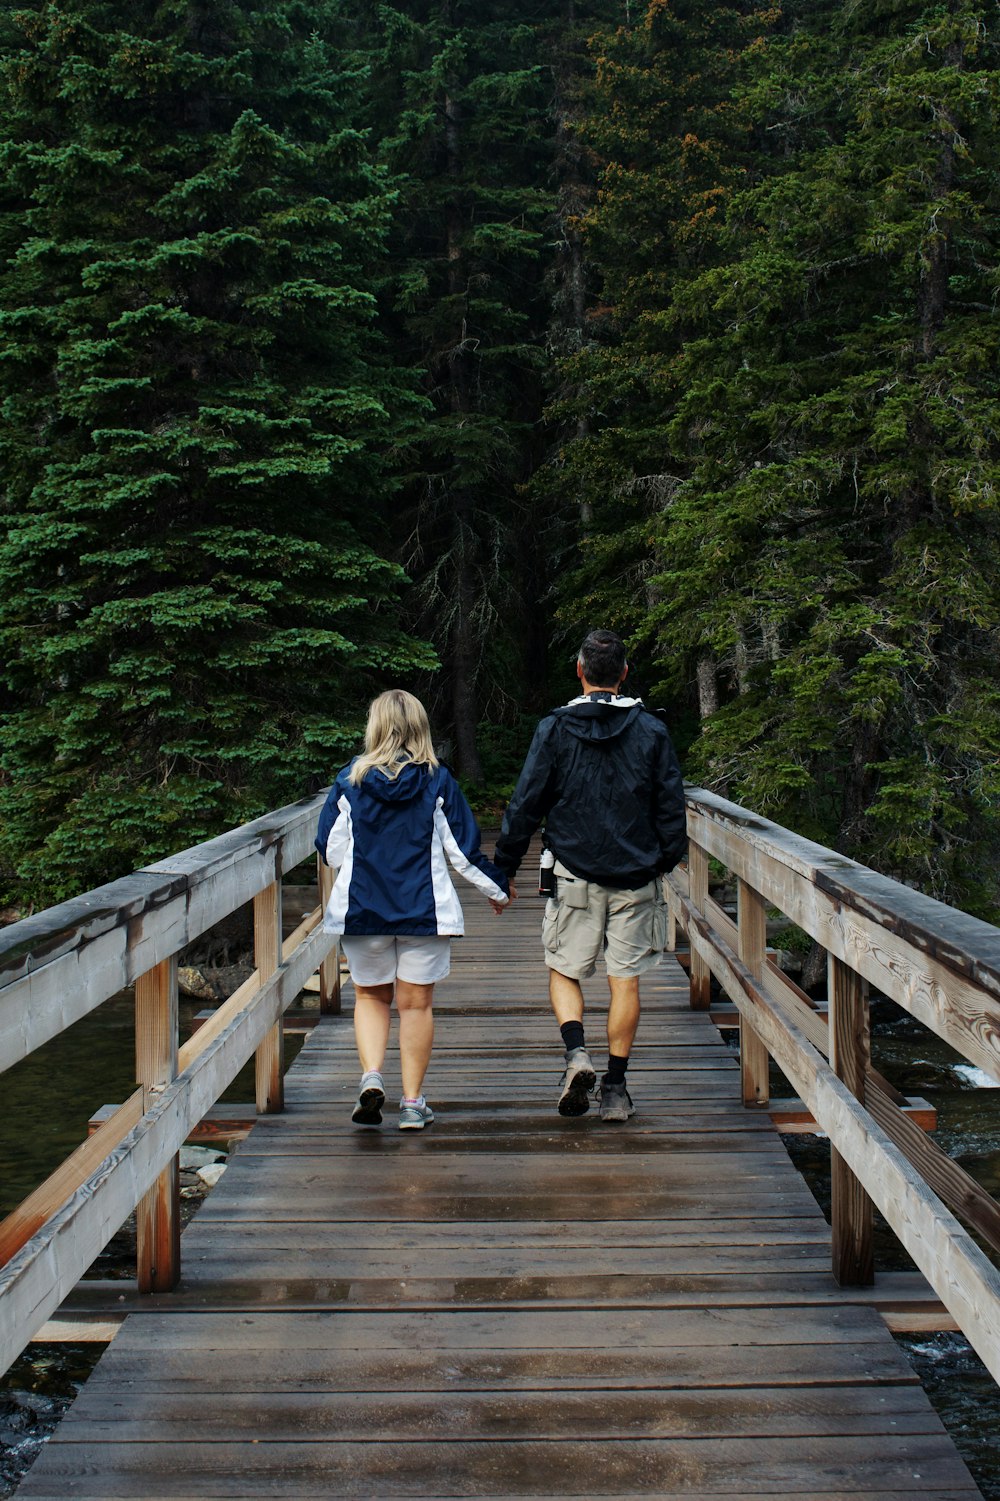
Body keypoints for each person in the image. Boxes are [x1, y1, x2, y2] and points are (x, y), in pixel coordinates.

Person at [494, 629, 687, 1121]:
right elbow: (669, 805)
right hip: (635, 876)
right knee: (625, 982)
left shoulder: (554, 729)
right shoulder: (651, 731)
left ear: (579, 672)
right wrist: (665, 859)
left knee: (563, 969)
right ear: (623, 674)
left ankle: (576, 1053)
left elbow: (526, 802)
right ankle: (617, 1088)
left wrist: (504, 867)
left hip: (574, 874)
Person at [316, 689, 511, 1131]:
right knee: (415, 1005)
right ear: (421, 728)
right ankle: (411, 1103)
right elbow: (462, 851)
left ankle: (370, 1079)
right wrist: (497, 890)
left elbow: (330, 851)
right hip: (425, 912)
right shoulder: (438, 780)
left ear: (375, 727)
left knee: (370, 995)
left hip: (364, 910)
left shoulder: (350, 781)